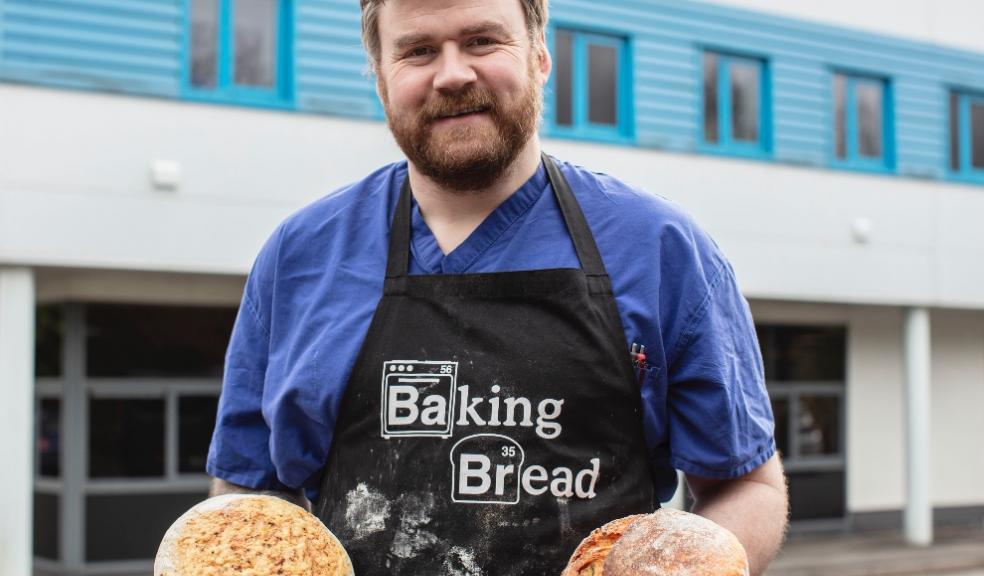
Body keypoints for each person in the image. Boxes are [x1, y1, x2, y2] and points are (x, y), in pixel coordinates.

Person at [206, 0, 789, 574]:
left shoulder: (660, 248)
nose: (453, 73)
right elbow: (247, 495)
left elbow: (747, 485)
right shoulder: (300, 257)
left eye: (482, 41)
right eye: (418, 51)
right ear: (382, 81)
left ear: (539, 57)